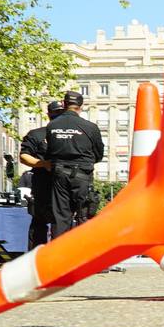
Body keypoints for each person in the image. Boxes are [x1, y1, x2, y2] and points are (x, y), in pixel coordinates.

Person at [42, 90, 105, 239]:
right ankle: (83, 253)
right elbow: (99, 154)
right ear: (81, 106)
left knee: (61, 216)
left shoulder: (52, 126)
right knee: (84, 215)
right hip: (83, 175)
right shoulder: (90, 127)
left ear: (64, 104)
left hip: (59, 174)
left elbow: (50, 152)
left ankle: (59, 256)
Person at [18, 99, 64, 249]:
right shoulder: (37, 134)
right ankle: (36, 259)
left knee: (62, 224)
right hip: (43, 185)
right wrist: (43, 164)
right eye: (56, 113)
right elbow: (24, 156)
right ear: (49, 114)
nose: (58, 116)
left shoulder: (73, 134)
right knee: (39, 224)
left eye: (61, 113)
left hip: (65, 186)